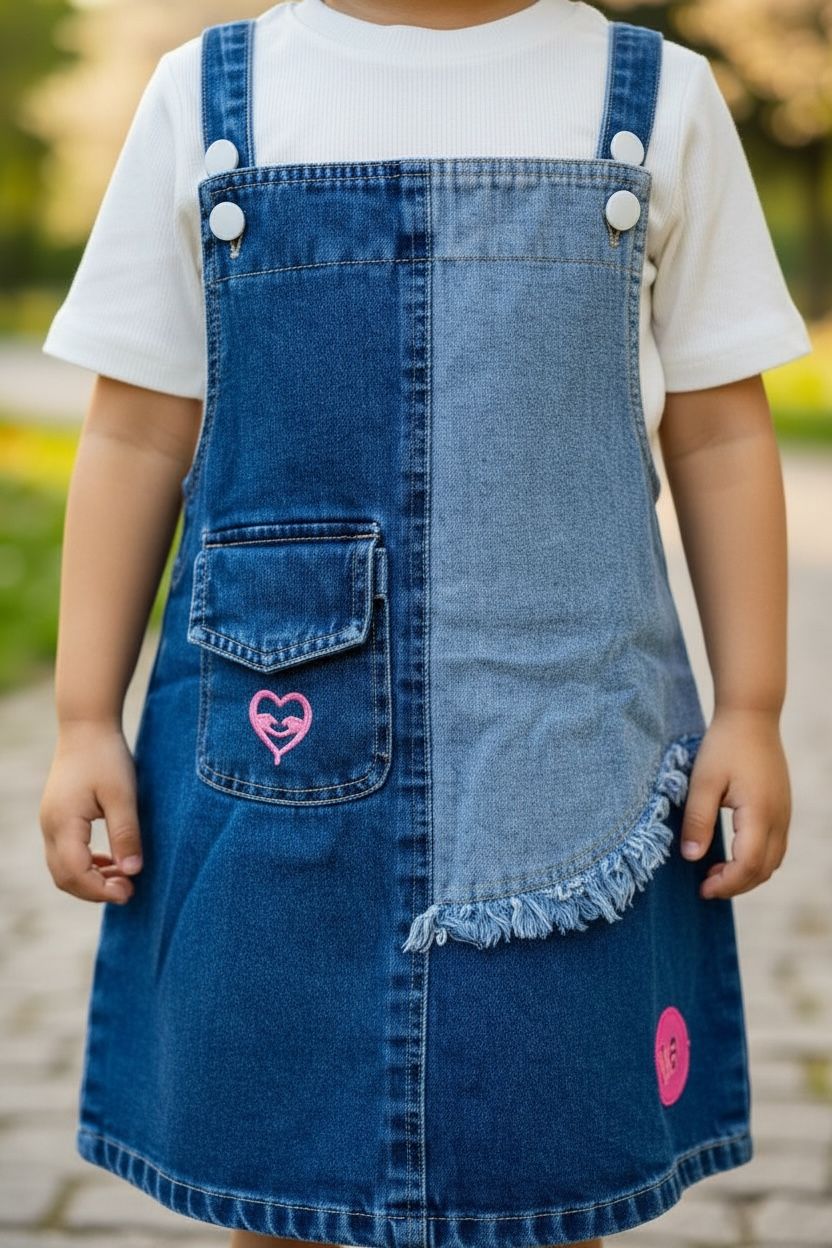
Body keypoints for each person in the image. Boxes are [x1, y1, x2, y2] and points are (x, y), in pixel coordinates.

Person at [37, 1, 813, 1246]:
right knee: (281, 1183)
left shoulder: (657, 97)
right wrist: (84, 718)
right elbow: (134, 430)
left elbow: (720, 430)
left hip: (570, 758)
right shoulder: (210, 94)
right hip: (273, 755)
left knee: (549, 1181)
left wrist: (754, 708)